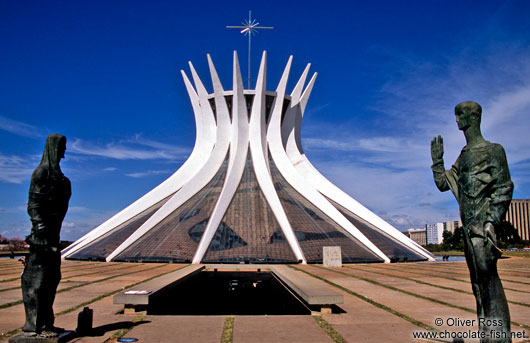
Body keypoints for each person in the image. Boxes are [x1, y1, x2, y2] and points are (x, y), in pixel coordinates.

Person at [431, 101, 513, 343]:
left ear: (473, 117)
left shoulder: (493, 150)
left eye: (459, 116)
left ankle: (499, 337)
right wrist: (437, 162)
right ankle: (487, 336)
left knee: (489, 283)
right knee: (478, 285)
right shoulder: (464, 156)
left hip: (482, 230)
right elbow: (444, 184)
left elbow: (504, 187)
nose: (456, 121)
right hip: (468, 230)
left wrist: (491, 222)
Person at [22, 134, 71, 337]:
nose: (64, 151)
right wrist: (40, 228)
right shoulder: (41, 173)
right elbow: (33, 205)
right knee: (36, 280)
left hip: (53, 236)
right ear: (52, 148)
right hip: (41, 238)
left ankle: (47, 323)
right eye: (62, 147)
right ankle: (33, 325)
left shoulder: (60, 178)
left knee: (52, 278)